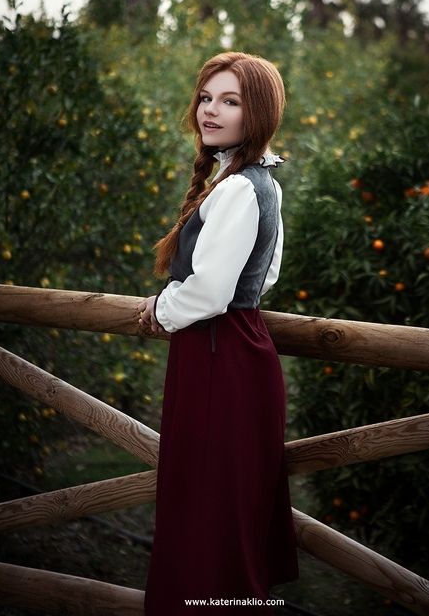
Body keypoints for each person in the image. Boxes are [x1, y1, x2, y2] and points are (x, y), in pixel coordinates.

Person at [137, 51, 299, 614]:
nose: (211, 110)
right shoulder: (262, 182)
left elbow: (209, 293)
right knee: (222, 505)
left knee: (206, 505)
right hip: (238, 351)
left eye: (230, 101)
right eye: (206, 98)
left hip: (217, 356)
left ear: (259, 112)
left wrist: (160, 308)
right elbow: (265, 276)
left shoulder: (236, 188)